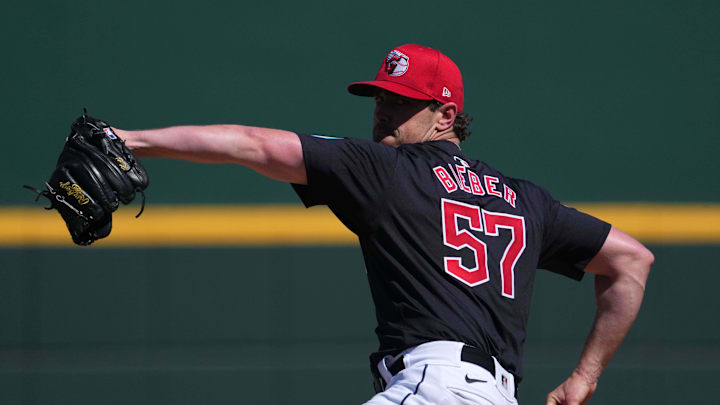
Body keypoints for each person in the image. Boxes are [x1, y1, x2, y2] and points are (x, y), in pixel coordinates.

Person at [114, 44, 653, 405]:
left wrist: (129, 141)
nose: (384, 112)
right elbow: (632, 261)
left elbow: (251, 143)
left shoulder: (388, 171)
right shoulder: (526, 201)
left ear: (446, 115)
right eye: (382, 98)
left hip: (435, 386)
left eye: (403, 102)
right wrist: (585, 378)